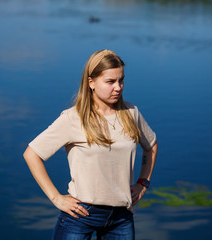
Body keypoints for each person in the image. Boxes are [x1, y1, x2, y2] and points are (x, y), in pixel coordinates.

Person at [23, 49, 158, 240]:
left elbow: (151, 145)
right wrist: (56, 198)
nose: (118, 87)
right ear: (91, 83)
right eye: (110, 82)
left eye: (121, 80)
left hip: (122, 216)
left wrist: (143, 183)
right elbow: (32, 154)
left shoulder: (131, 113)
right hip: (80, 215)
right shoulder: (73, 118)